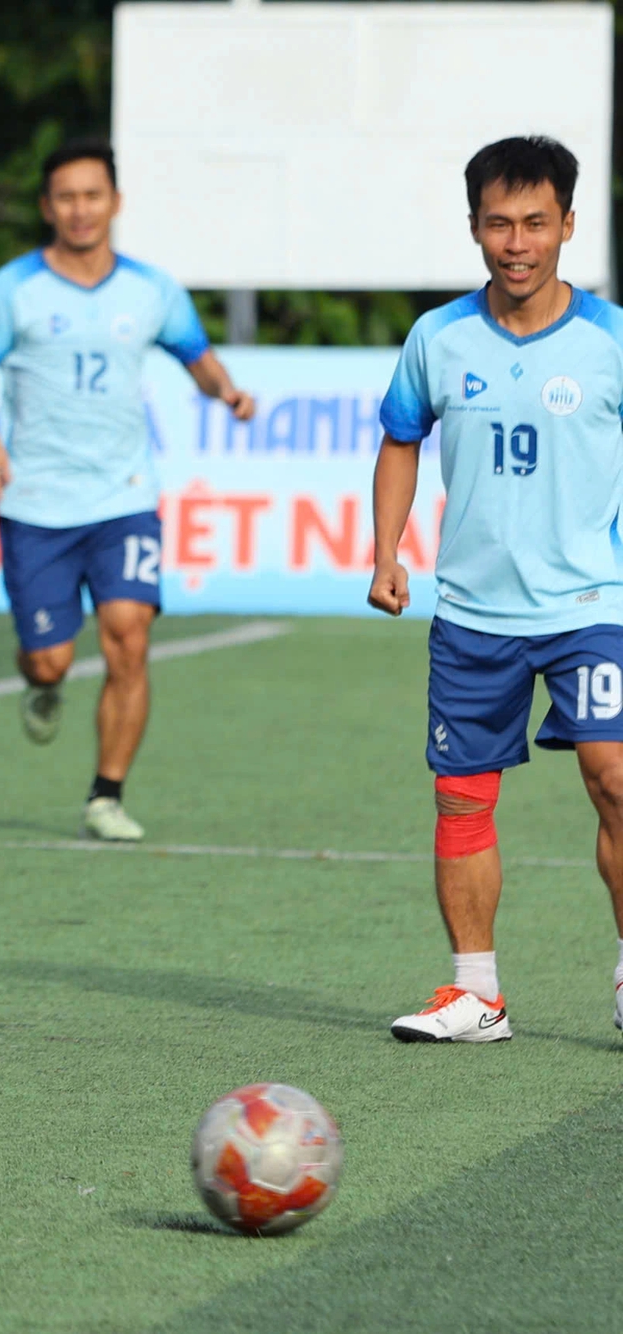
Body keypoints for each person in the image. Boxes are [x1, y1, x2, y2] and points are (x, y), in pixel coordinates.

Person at [371, 136, 623, 1044]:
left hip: (594, 604)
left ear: (567, 225)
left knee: (617, 779)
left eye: (536, 223)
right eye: (499, 224)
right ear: (474, 227)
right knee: (461, 796)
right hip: (473, 613)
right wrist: (387, 551)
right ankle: (477, 994)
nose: (517, 243)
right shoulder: (438, 338)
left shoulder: (611, 339)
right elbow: (401, 439)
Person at [0, 139, 255, 842]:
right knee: (49, 656)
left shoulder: (151, 289)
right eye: (65, 197)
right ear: (46, 207)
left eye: (92, 195)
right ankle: (44, 682)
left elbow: (196, 358)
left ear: (114, 203)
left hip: (124, 498)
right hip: (37, 503)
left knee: (128, 635)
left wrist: (227, 391)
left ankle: (106, 795)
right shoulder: (15, 288)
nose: (80, 210)